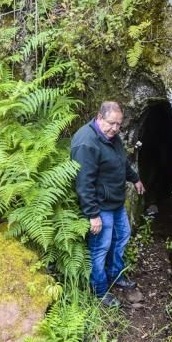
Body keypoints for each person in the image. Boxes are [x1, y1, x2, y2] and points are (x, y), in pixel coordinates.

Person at [71, 101, 145, 306]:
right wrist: (92, 214)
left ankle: (116, 275)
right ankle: (100, 291)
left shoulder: (111, 137)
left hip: (115, 202)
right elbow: (83, 183)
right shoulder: (86, 143)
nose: (115, 128)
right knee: (100, 248)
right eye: (111, 123)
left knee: (122, 236)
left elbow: (121, 162)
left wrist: (135, 178)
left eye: (119, 124)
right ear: (99, 117)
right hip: (100, 206)